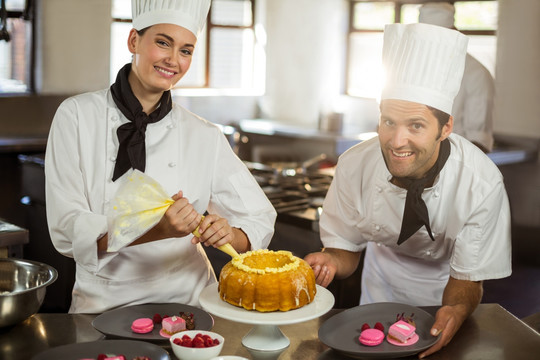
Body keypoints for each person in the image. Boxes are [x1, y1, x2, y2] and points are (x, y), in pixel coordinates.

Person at [45, 0, 276, 314]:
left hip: (190, 301)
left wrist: (228, 235)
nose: (173, 60)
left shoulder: (204, 134)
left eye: (186, 50)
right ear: (134, 41)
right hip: (102, 304)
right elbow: (67, 233)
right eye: (163, 43)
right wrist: (158, 230)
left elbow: (259, 217)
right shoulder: (76, 116)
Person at [305, 23, 511, 358]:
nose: (396, 141)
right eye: (388, 122)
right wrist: (329, 261)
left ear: (445, 128)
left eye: (415, 125)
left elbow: (468, 278)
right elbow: (345, 248)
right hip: (380, 280)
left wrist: (456, 311)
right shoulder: (355, 165)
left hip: (445, 286)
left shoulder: (481, 183)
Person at [419, 2, 495, 153]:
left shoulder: (476, 73)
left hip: (453, 162)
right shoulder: (415, 66)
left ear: (455, 33)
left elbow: (479, 140)